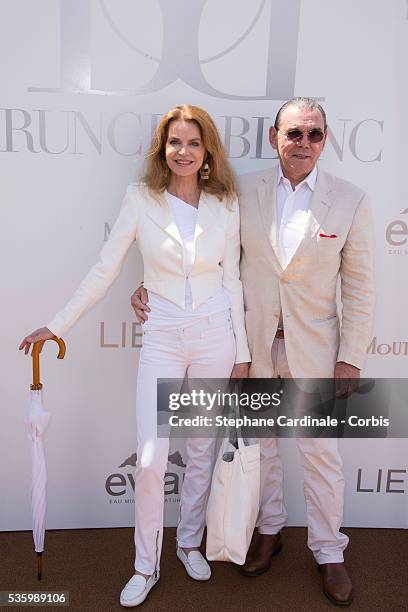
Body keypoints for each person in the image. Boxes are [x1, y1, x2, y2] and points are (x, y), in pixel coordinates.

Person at [131, 97, 375, 607]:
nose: (302, 143)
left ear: (325, 140)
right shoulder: (245, 190)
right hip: (255, 347)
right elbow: (206, 255)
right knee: (262, 448)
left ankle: (329, 552)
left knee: (320, 455)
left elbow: (359, 287)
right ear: (274, 138)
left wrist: (351, 355)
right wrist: (146, 285)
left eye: (313, 134)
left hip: (317, 351)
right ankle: (270, 530)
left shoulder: (350, 199)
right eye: (293, 133)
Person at [19, 104, 251, 608]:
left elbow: (231, 277)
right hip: (163, 332)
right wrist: (57, 325)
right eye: (175, 143)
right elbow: (105, 268)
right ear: (162, 149)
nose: (183, 152)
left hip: (216, 333)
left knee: (201, 448)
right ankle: (145, 565)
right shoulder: (140, 198)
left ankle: (189, 542)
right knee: (150, 458)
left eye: (193, 142)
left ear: (207, 149)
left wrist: (244, 352)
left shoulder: (226, 201)